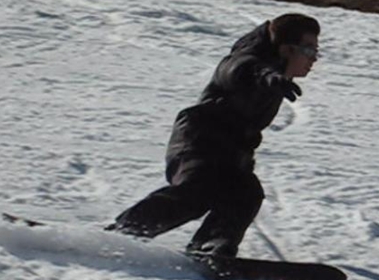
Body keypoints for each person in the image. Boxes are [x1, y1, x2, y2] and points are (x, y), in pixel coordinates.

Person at [106, 13, 321, 258]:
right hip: (198, 139)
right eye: (309, 50)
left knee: (246, 192)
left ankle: (211, 246)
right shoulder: (249, 60)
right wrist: (266, 76)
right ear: (286, 49)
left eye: (316, 51)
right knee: (199, 190)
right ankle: (121, 235)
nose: (313, 59)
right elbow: (237, 69)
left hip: (228, 151)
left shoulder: (276, 75)